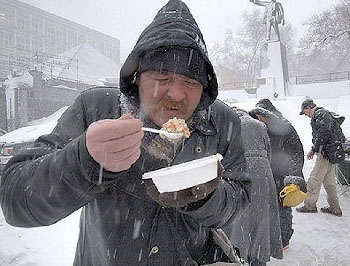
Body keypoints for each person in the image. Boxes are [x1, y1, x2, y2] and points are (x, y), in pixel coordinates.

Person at [0, 1, 251, 265]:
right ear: (137, 78)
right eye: (162, 77)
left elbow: (239, 200)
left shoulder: (221, 122)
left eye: (190, 81)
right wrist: (85, 160)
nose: (176, 94)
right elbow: (16, 201)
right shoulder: (96, 109)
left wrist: (205, 196)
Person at [227, 108, 283, 266]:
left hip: (240, 170)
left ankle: (240, 255)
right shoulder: (259, 125)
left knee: (240, 218)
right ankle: (259, 257)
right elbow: (269, 152)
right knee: (262, 218)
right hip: (263, 173)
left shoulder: (231, 124)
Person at [249, 99, 306, 251]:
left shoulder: (285, 127)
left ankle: (284, 239)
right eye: (257, 115)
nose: (260, 118)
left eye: (262, 115)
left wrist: (294, 175)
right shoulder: (256, 127)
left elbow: (296, 152)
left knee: (283, 208)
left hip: (281, 174)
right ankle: (268, 235)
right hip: (263, 174)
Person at [296, 98, 345, 217]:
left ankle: (309, 205)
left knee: (314, 179)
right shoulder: (324, 114)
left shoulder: (320, 114)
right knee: (329, 182)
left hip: (326, 152)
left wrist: (317, 149)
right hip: (332, 152)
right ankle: (335, 208)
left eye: (305, 112)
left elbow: (323, 133)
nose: (305, 115)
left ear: (308, 108)